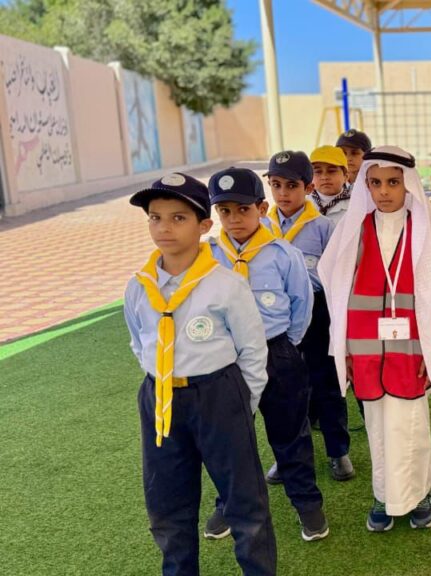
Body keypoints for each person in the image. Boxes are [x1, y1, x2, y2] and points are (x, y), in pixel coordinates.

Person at [123, 173, 277, 575]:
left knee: (244, 502)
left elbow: (252, 351)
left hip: (218, 394)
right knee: (167, 505)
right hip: (160, 398)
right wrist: (160, 379)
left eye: (178, 218)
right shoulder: (139, 287)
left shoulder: (225, 285)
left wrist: (242, 405)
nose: (164, 228)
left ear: (204, 225)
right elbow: (139, 341)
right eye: (155, 218)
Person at [319, 146, 431, 531]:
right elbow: (337, 293)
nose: (384, 191)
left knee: (412, 424)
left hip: (411, 348)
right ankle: (384, 496)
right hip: (366, 350)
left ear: (407, 184)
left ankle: (419, 495)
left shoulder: (424, 230)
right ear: (365, 185)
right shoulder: (355, 230)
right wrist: (342, 350)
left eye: (393, 182)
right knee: (378, 427)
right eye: (376, 183)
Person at [203, 166, 329, 542]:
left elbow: (301, 305)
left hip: (276, 353)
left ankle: (308, 505)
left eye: (243, 209)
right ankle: (228, 503)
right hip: (226, 360)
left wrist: (285, 347)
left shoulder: (283, 255)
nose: (234, 219)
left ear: (261, 208)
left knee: (290, 434)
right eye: (224, 211)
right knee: (228, 438)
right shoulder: (208, 256)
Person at [264, 150, 355, 483]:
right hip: (276, 317)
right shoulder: (262, 227)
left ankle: (338, 451)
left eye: (292, 185)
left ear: (308, 187)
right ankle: (287, 456)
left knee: (326, 382)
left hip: (317, 312)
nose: (283, 193)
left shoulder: (322, 228)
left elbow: (337, 275)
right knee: (282, 389)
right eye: (276, 185)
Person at [310, 145, 351, 224]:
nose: (324, 177)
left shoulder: (355, 205)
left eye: (331, 171)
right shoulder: (302, 204)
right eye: (318, 172)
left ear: (345, 176)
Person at [336, 129, 372, 197]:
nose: (348, 158)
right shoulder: (332, 184)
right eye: (343, 153)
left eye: (354, 153)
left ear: (367, 155)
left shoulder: (373, 184)